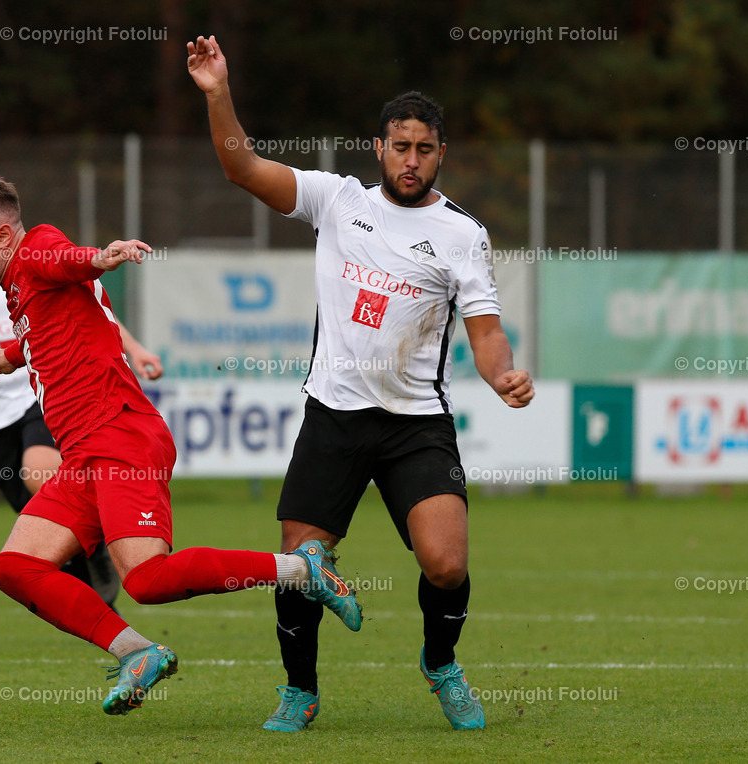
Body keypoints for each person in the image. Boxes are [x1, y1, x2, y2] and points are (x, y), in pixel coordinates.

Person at [187, 35, 535, 732]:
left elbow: (486, 329)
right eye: (400, 146)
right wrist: (218, 93)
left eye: (425, 148)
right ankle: (300, 690)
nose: (412, 159)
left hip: (415, 424)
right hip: (335, 417)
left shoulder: (463, 234)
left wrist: (501, 374)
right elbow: (243, 169)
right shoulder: (336, 200)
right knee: (295, 564)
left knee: (445, 562)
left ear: (442, 155)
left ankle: (441, 663)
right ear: (379, 148)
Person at [0, 171, 363, 717]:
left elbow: (65, 260)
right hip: (85, 456)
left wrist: (102, 256)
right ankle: (137, 652)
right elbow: (63, 322)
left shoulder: (37, 248)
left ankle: (304, 571)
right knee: (16, 568)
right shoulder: (20, 285)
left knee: (147, 579)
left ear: (1, 236)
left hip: (120, 437)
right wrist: (11, 351)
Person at [0, 257, 164, 606]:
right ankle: (93, 585)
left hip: (43, 387)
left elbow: (90, 299)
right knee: (39, 531)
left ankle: (99, 544)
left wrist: (135, 347)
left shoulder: (33, 259)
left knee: (38, 470)